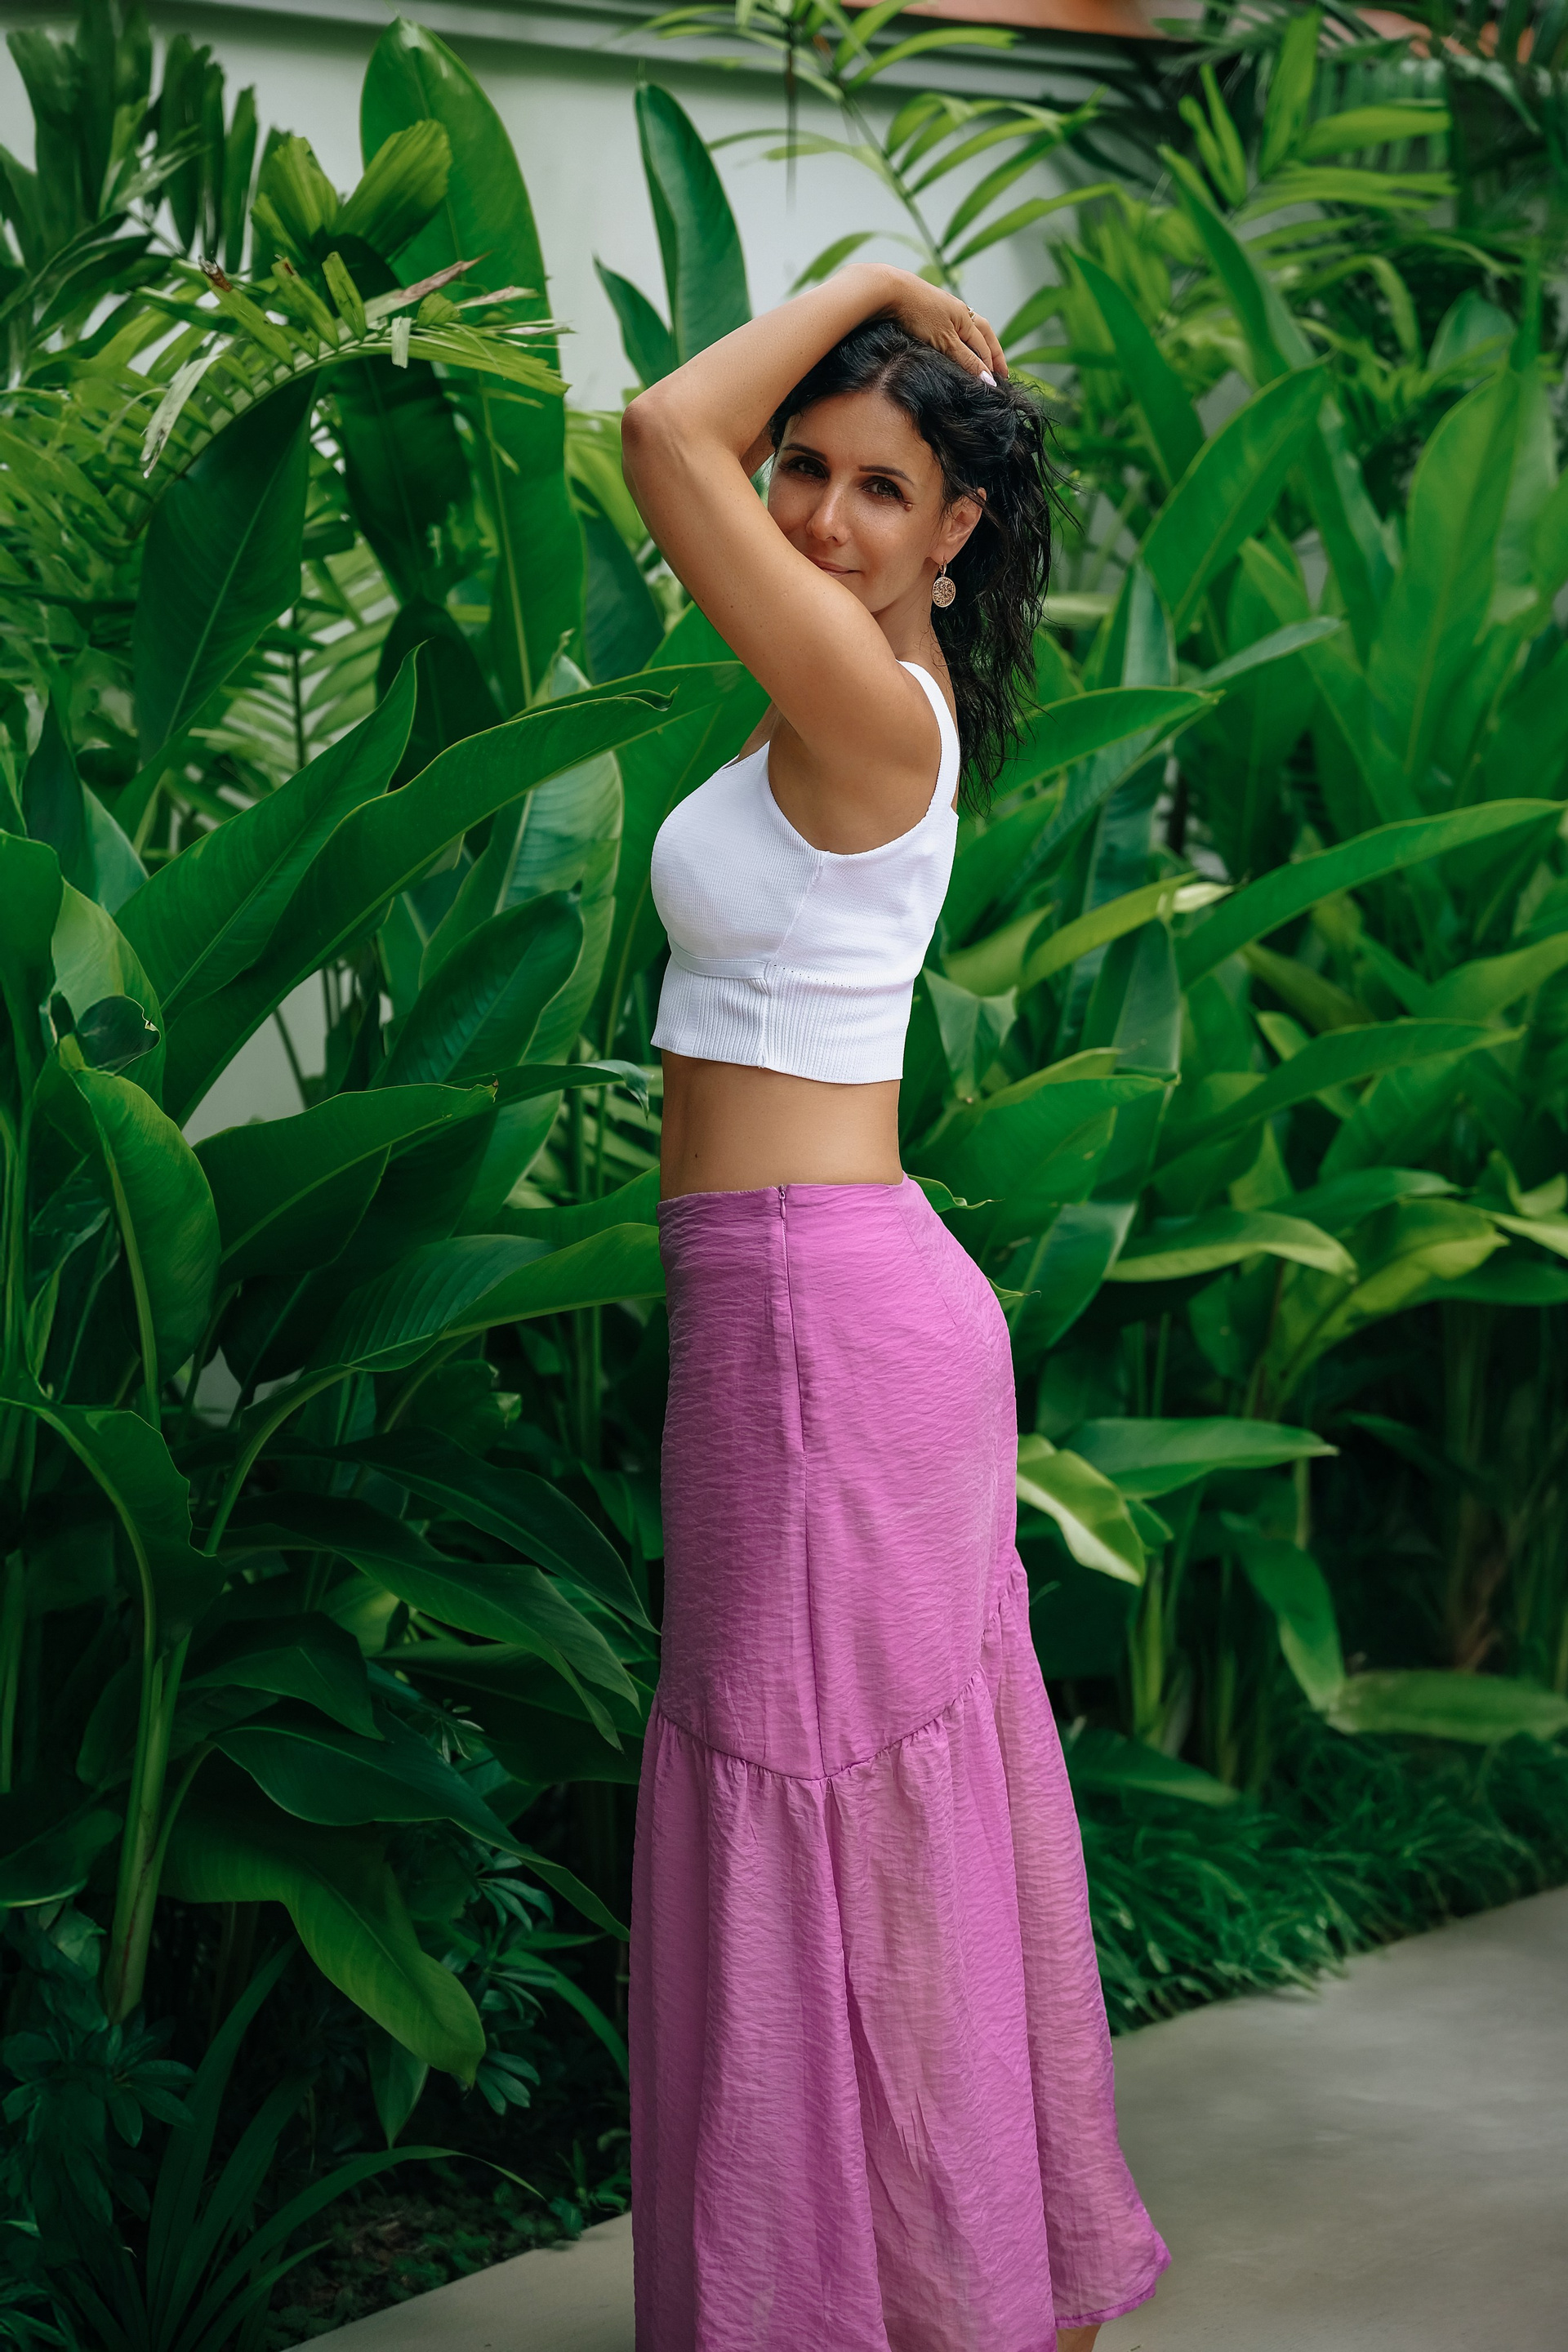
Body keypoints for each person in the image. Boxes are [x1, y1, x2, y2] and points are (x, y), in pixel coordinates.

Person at [620, 262, 1167, 2352]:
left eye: (880, 488)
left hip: (813, 1325)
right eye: (809, 472)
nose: (824, 518)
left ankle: (877, 2307)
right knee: (858, 1815)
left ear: (959, 529)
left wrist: (863, 282)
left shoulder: (866, 706)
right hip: (804, 1311)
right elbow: (702, 458)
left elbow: (657, 435)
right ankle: (949, 2291)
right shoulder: (850, 684)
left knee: (825, 1808)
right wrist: (867, 350)